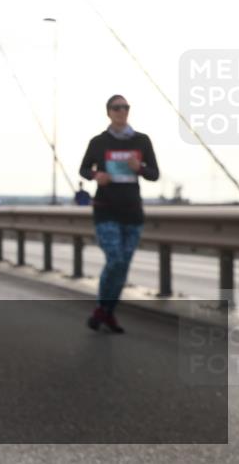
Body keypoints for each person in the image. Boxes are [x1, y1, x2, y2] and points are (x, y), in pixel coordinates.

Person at [80, 95, 159, 334]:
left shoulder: (142, 141)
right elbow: (83, 169)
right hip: (105, 210)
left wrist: (140, 169)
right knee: (114, 260)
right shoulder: (98, 142)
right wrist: (96, 176)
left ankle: (107, 313)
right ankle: (101, 310)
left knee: (123, 266)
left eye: (125, 107)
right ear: (108, 112)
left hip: (133, 212)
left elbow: (154, 174)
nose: (121, 111)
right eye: (116, 107)